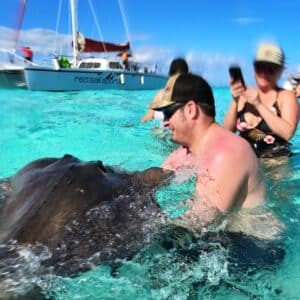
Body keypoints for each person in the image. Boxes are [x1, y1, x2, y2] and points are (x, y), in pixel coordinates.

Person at [151, 73, 269, 234]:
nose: (164, 122)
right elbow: (151, 181)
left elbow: (197, 223)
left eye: (168, 113)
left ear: (191, 109)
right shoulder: (188, 151)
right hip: (227, 237)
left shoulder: (227, 153)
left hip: (256, 249)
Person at [224, 43, 299, 158]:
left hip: (276, 163)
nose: (264, 73)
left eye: (270, 69)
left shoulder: (286, 96)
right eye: (260, 67)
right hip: (246, 160)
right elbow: (227, 133)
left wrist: (258, 104)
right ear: (254, 68)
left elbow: (287, 133)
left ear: (280, 70)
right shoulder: (243, 94)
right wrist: (235, 100)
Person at [140, 58, 189, 123]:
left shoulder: (159, 94)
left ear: (169, 74)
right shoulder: (190, 95)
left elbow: (148, 117)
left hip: (157, 131)